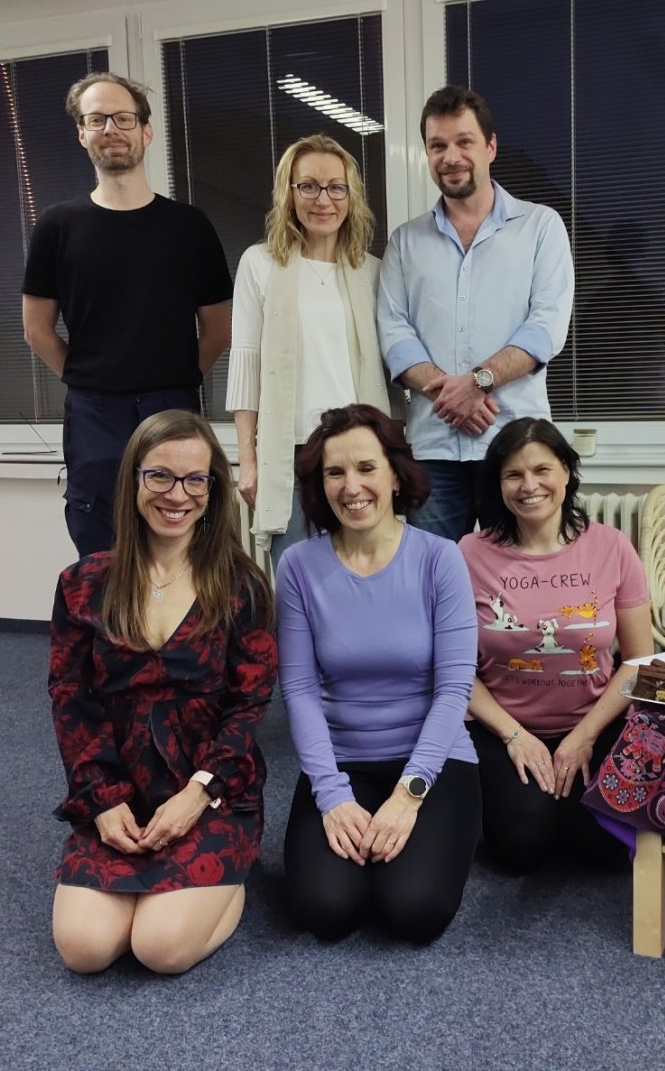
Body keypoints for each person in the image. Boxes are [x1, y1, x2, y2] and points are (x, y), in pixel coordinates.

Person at [48, 409, 276, 974]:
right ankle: (166, 887)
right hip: (119, 785)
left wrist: (199, 793)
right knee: (84, 949)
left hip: (211, 788)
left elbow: (249, 704)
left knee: (160, 950)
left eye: (196, 479)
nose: (178, 494)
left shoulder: (241, 585)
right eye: (160, 476)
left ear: (213, 489)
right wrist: (102, 800)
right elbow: (71, 700)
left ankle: (232, 878)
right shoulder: (82, 584)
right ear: (133, 479)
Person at [276, 404, 481, 943]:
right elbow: (298, 690)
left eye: (366, 467)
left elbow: (455, 688)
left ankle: (438, 837)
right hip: (342, 760)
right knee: (325, 909)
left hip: (433, 760)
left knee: (413, 910)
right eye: (335, 472)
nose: (351, 487)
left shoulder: (440, 559)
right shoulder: (297, 566)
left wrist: (408, 797)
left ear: (395, 474)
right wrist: (331, 795)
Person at [23, 71, 233, 558]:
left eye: (122, 118)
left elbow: (218, 329)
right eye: (97, 120)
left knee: (182, 534)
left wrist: (175, 380)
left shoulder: (189, 226)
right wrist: (93, 378)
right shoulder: (57, 226)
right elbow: (37, 330)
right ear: (82, 133)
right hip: (94, 410)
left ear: (146, 130)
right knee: (100, 542)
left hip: (173, 402)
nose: (111, 129)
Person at [377, 85, 574, 540]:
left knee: (520, 574)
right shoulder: (405, 242)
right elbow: (394, 332)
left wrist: (477, 383)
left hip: (516, 447)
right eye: (437, 145)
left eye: (464, 141)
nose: (451, 157)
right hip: (434, 450)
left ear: (490, 147)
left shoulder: (540, 227)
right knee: (436, 576)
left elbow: (546, 326)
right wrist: (453, 397)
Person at [458, 418, 653, 871]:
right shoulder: (468, 553)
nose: (529, 486)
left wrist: (584, 736)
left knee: (598, 844)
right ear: (498, 484)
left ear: (566, 471)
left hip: (595, 719)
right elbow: (455, 669)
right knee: (520, 845)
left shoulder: (612, 547)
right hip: (500, 725)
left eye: (542, 469)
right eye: (513, 474)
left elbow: (640, 660)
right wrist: (515, 736)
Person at [226, 135, 390, 570]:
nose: (323, 200)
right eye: (309, 186)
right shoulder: (259, 264)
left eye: (336, 187)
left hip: (358, 451)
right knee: (296, 581)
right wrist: (248, 460)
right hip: (291, 455)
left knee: (363, 574)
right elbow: (246, 364)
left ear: (351, 196)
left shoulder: (373, 272)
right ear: (289, 193)